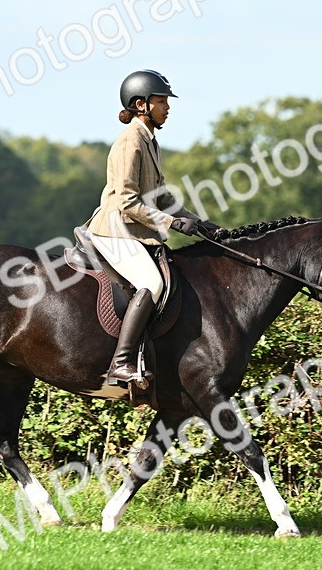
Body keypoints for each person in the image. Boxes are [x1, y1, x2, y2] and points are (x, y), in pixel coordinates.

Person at [82, 69, 220, 386]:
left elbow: (160, 196)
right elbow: (126, 201)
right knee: (152, 283)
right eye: (161, 102)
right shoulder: (130, 142)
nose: (167, 108)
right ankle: (122, 362)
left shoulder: (149, 140)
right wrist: (172, 222)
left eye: (166, 102)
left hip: (135, 231)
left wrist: (196, 222)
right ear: (141, 104)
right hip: (114, 231)